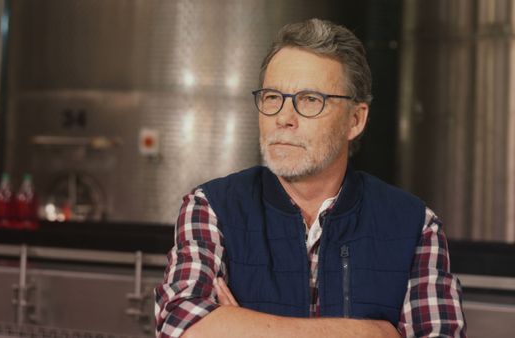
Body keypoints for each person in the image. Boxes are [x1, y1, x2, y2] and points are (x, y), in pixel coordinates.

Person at [154, 18, 466, 338]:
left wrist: (240, 325)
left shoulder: (414, 225)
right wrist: (374, 333)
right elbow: (181, 324)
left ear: (355, 120)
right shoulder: (212, 207)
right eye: (273, 97)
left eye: (309, 100)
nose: (284, 118)